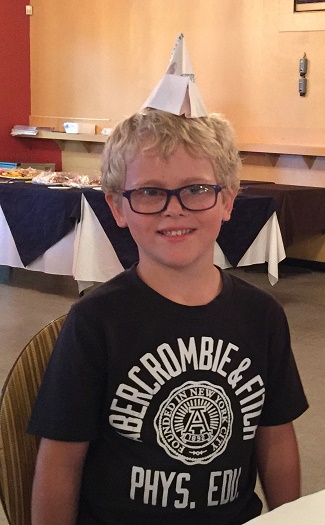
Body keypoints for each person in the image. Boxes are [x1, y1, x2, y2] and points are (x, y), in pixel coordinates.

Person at [28, 108, 308, 524]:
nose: (174, 209)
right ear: (117, 207)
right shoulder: (95, 322)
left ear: (228, 199)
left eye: (196, 189)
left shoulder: (262, 316)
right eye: (149, 192)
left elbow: (276, 437)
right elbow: (60, 461)